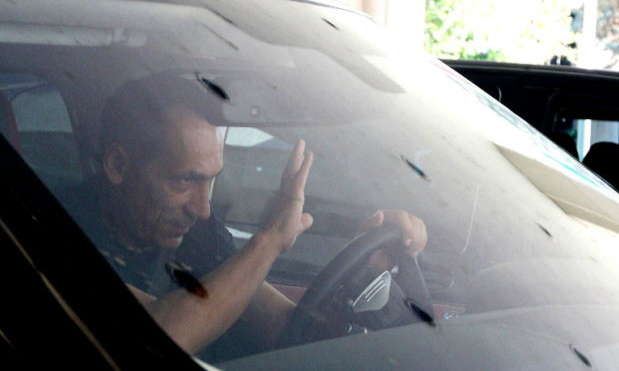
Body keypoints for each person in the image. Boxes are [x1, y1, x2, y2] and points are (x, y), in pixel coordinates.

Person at [92, 81, 427, 356]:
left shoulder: (197, 233)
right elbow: (158, 342)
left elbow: (287, 332)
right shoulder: (70, 234)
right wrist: (268, 242)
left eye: (210, 182)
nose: (202, 209)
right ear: (118, 166)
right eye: (185, 181)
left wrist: (362, 271)